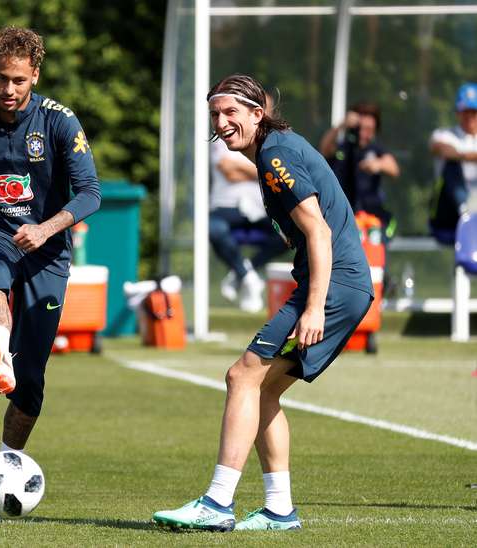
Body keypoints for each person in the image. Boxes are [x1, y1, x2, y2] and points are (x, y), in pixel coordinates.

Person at [153, 74, 373, 532]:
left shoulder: (275, 155)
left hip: (335, 287)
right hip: (339, 285)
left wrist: (313, 308)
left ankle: (216, 503)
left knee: (242, 376)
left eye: (231, 112)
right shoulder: (275, 150)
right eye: (216, 113)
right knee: (263, 388)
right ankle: (278, 510)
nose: (222, 121)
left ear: (258, 114)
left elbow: (318, 231)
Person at [0, 26, 100, 522]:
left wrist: (46, 228)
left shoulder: (61, 122)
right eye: (1, 78)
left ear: (34, 75)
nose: (9, 89)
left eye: (19, 79)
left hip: (47, 250)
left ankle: (0, 479)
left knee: (31, 383)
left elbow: (90, 193)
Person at [210, 93, 287, 313]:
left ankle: (242, 272)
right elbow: (228, 171)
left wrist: (249, 170)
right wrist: (263, 170)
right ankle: (248, 277)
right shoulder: (226, 132)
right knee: (213, 229)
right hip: (226, 207)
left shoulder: (276, 139)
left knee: (290, 234)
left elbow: (278, 174)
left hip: (261, 209)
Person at [319, 102, 400, 239]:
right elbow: (324, 148)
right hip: (342, 218)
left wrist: (378, 164)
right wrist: (342, 125)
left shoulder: (376, 150)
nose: (364, 134)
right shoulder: (342, 148)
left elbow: (394, 168)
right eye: (361, 128)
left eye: (369, 130)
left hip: (371, 221)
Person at [429, 83, 477, 235]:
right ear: (458, 113)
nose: (469, 116)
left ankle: (470, 214)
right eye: (465, 112)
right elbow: (443, 150)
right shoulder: (444, 134)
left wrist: (462, 155)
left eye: (473, 112)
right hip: (448, 214)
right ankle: (466, 212)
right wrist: (468, 157)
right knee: (451, 166)